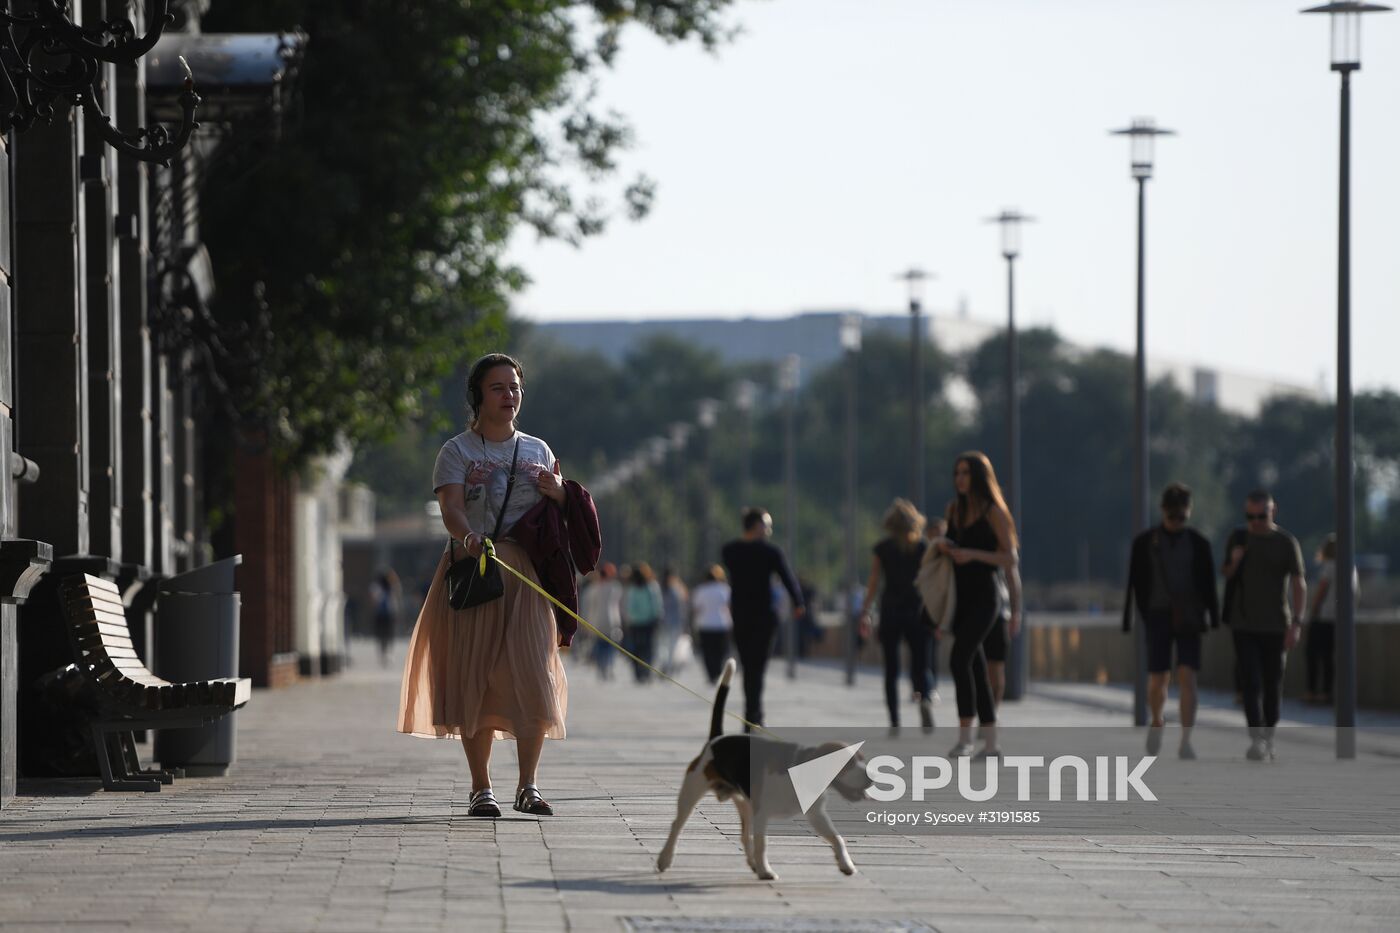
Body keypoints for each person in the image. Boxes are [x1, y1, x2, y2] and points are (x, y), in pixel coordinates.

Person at [397, 352, 568, 818]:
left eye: (514, 387)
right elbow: (451, 507)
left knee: (535, 676)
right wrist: (468, 536)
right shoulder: (457, 451)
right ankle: (481, 787)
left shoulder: (537, 449)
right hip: (473, 569)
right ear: (478, 396)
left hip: (525, 578)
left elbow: (558, 513)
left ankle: (529, 785)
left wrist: (561, 493)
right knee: (476, 678)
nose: (509, 396)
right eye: (498, 388)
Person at [1122, 482, 1221, 759]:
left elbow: (1209, 584)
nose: (1177, 522)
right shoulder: (1145, 543)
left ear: (1189, 513)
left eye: (1182, 517)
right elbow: (1134, 583)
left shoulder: (1199, 544)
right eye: (1172, 516)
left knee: (1188, 676)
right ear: (1163, 511)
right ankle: (1157, 720)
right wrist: (1133, 616)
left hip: (1189, 617)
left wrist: (1213, 617)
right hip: (1157, 615)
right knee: (1158, 679)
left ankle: (1186, 739)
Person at [933, 452, 1020, 759]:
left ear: (979, 477)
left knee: (960, 659)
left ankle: (965, 739)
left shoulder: (994, 512)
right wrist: (945, 547)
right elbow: (952, 548)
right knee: (976, 666)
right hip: (961, 598)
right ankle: (992, 744)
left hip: (986, 597)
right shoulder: (954, 510)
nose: (959, 479)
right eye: (957, 473)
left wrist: (973, 555)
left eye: (966, 473)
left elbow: (1010, 558)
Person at [1221, 490, 1306, 761]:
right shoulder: (1239, 537)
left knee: (1273, 683)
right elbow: (1224, 573)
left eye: (1261, 515)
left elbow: (1298, 582)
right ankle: (1256, 739)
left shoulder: (1286, 542)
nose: (1255, 521)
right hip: (1243, 623)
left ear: (1273, 511)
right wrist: (1234, 560)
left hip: (1276, 624)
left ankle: (1269, 735)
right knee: (1251, 683)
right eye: (1250, 516)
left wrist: (1297, 623)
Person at [721, 508, 806, 731]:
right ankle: (754, 715)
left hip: (741, 615)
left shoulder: (730, 550)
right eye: (766, 524)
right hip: (764, 617)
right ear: (757, 525)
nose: (769, 529)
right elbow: (788, 577)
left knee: (749, 666)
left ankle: (752, 715)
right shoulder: (771, 552)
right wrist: (799, 603)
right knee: (757, 668)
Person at [859, 498, 935, 730]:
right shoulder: (923, 547)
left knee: (891, 669)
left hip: (891, 610)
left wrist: (866, 611)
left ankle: (894, 719)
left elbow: (874, 581)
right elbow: (930, 581)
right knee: (920, 664)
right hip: (917, 610)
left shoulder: (883, 548)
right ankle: (924, 697)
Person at [1303, 534, 1356, 706]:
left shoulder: (1329, 566)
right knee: (1329, 658)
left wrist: (1313, 611)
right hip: (1340, 619)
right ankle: (1327, 692)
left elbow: (1321, 591)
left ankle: (1312, 692)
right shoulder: (1350, 567)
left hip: (1323, 618)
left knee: (1313, 654)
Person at [580, 563, 623, 681]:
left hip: (597, 621)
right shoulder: (615, 587)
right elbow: (618, 605)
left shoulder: (593, 589)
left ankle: (601, 668)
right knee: (610, 646)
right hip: (612, 620)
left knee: (599, 646)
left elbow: (589, 607)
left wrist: (586, 623)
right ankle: (608, 666)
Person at [691, 565, 733, 683]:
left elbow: (696, 608)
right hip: (721, 624)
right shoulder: (724, 589)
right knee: (720, 651)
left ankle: (711, 674)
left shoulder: (701, 590)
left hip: (705, 624)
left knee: (707, 651)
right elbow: (729, 606)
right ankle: (718, 672)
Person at [622, 562, 663, 683]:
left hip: (635, 623)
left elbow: (628, 607)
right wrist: (657, 617)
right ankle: (646, 672)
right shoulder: (652, 587)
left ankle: (638, 673)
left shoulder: (632, 589)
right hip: (648, 623)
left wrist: (628, 619)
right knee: (648, 648)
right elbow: (657, 604)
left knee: (636, 649)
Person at [369, 568, 402, 668]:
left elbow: (398, 592)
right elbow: (374, 600)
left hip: (388, 614)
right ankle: (384, 653)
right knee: (383, 635)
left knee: (388, 634)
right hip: (382, 614)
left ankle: (386, 652)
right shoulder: (377, 587)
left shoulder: (391, 587)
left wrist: (393, 579)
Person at [659, 566, 690, 674]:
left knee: (664, 645)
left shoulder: (660, 587)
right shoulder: (678, 588)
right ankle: (669, 666)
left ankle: (666, 665)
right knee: (672, 645)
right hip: (675, 621)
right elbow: (682, 607)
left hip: (663, 621)